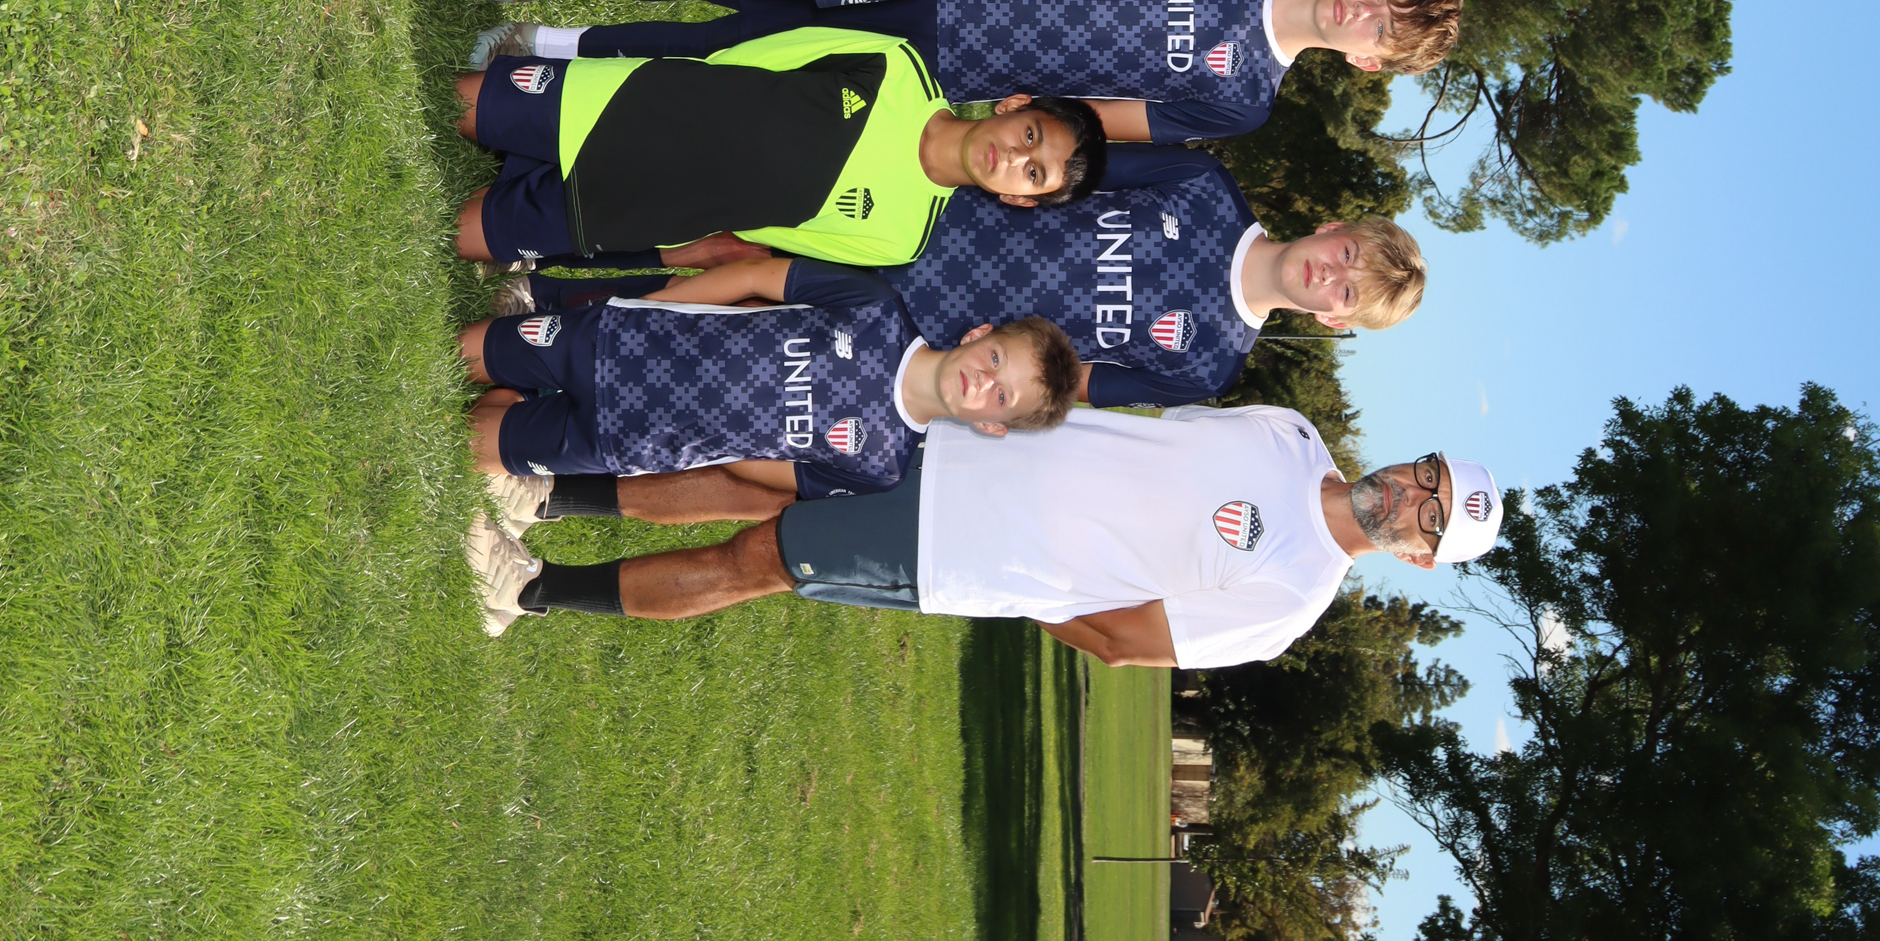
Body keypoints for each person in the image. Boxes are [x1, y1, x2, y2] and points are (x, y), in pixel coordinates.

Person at [464, 399, 1505, 658]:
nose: (1412, 491)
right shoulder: (1291, 432)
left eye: (1430, 512)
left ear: (1419, 556)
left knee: (755, 559)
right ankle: (548, 494)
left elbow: (1125, 640)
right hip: (965, 441)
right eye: (1430, 473)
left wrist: (1017, 579)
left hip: (954, 549)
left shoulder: (1291, 600)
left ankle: (528, 590)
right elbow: (1138, 430)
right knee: (753, 471)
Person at [521, 152, 1419, 408]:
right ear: (1333, 229)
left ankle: (568, 319)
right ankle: (559, 266)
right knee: (734, 239)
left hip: (933, 336)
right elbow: (1075, 166)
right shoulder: (1206, 188)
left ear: (1335, 323)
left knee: (754, 309)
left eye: (1348, 294)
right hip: (934, 221)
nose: (1331, 276)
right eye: (1348, 255)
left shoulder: (1210, 365)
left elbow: (1076, 387)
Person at [457, 263, 1080, 623]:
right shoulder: (878, 308)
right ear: (979, 334)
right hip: (620, 343)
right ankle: (518, 386)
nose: (984, 382)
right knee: (461, 356)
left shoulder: (883, 464)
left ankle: (517, 447)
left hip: (632, 439)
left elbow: (774, 471)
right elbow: (757, 276)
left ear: (992, 426)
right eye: (996, 359)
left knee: (466, 446)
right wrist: (647, 309)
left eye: (1002, 397)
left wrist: (702, 440)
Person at [477, 0, 1465, 145]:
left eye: (1382, 31)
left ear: (1367, 60)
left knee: (738, 60)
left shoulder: (1243, 99)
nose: (1365, 12)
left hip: (957, 66)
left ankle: (547, 53)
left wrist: (1017, 118)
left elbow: (1111, 121)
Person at [450, 21, 1109, 271]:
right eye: (1030, 136)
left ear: (1019, 200)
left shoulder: (902, 239)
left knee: (465, 233)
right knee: (462, 105)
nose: (1015, 158)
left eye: (1034, 174)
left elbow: (770, 229)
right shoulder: (897, 65)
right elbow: (757, 58)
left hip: (645, 207)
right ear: (1015, 106)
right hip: (635, 104)